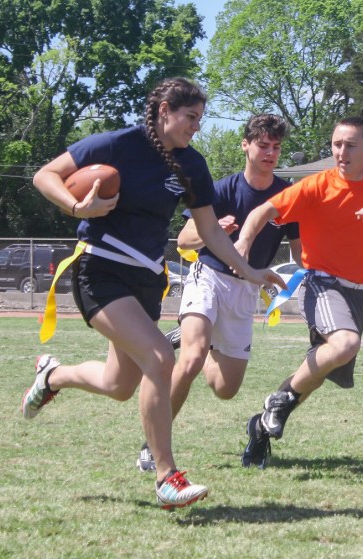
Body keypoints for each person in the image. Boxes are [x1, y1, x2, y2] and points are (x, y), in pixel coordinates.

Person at [21, 77, 284, 509]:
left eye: (200, 118)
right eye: (190, 117)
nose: (196, 126)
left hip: (146, 279)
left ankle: (51, 377)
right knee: (161, 358)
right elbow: (45, 175)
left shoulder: (192, 165)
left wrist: (250, 270)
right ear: (164, 111)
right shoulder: (117, 144)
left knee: (118, 384)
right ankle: (166, 476)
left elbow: (210, 234)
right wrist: (76, 208)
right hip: (100, 269)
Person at [234, 116, 363, 468]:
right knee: (344, 345)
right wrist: (242, 247)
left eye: (350, 145)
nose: (341, 151)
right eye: (336, 144)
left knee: (317, 374)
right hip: (322, 284)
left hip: (361, 294)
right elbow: (263, 211)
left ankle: (262, 425)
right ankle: (277, 403)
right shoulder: (315, 186)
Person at [136, 113, 302, 472]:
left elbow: (302, 251)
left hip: (246, 289)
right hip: (208, 276)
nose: (270, 152)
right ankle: (154, 445)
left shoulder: (288, 196)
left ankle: (203, 335)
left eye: (276, 147)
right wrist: (216, 230)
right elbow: (183, 241)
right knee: (191, 358)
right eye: (263, 145)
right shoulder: (222, 189)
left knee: (226, 389)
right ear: (245, 145)